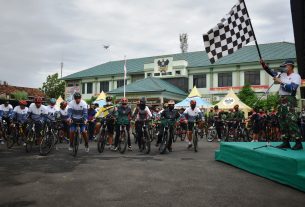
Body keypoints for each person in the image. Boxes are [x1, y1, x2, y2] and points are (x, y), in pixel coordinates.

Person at [260, 59, 302, 150]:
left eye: (285, 66)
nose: (283, 68)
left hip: (289, 99)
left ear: (290, 66)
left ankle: (298, 142)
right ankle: (285, 141)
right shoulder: (282, 75)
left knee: (291, 120)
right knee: (282, 120)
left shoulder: (296, 76)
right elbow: (270, 72)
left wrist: (281, 82)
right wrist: (264, 65)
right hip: (281, 99)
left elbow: (292, 89)